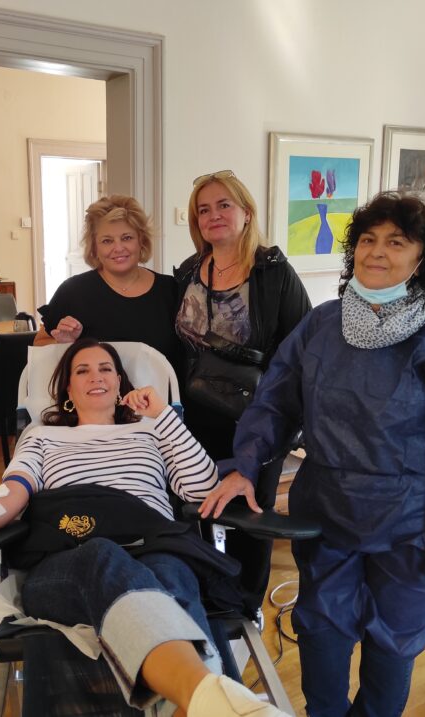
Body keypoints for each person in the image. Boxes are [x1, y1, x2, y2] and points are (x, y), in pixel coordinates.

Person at [201, 193, 425, 717]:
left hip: (411, 521)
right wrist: (246, 467)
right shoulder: (322, 325)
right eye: (368, 240)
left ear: (421, 257)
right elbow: (275, 402)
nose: (377, 252)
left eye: (396, 242)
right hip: (327, 509)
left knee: (394, 638)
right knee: (321, 627)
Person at [0, 338, 287, 717]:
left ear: (120, 381)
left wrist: (163, 416)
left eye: (106, 368)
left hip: (154, 546)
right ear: (67, 390)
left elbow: (201, 488)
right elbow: (7, 498)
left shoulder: (151, 431)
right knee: (105, 555)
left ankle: (199, 699)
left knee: (172, 571)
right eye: (82, 371)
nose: (96, 377)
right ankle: (205, 692)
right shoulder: (42, 436)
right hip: (66, 561)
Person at [174, 170, 311, 608]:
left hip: (256, 418)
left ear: (247, 213)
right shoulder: (189, 271)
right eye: (203, 210)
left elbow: (301, 350)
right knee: (197, 508)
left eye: (224, 205)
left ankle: (247, 605)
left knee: (250, 513)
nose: (213, 215)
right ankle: (209, 601)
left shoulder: (273, 272)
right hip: (194, 418)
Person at [35, 195, 182, 374]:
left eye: (127, 238)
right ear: (94, 247)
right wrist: (64, 345)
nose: (118, 248)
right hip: (95, 392)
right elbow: (39, 345)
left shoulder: (170, 290)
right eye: (107, 241)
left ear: (141, 241)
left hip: (161, 393)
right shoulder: (73, 292)